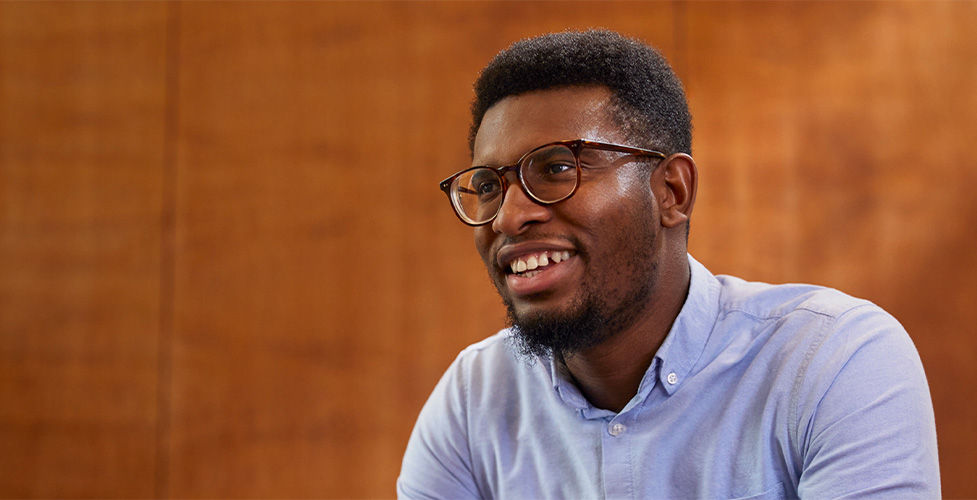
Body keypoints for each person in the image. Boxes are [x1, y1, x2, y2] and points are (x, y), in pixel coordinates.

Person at [397, 30, 940, 499]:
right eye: (490, 186)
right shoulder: (474, 400)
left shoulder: (830, 361)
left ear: (671, 192)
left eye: (558, 167)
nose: (509, 217)